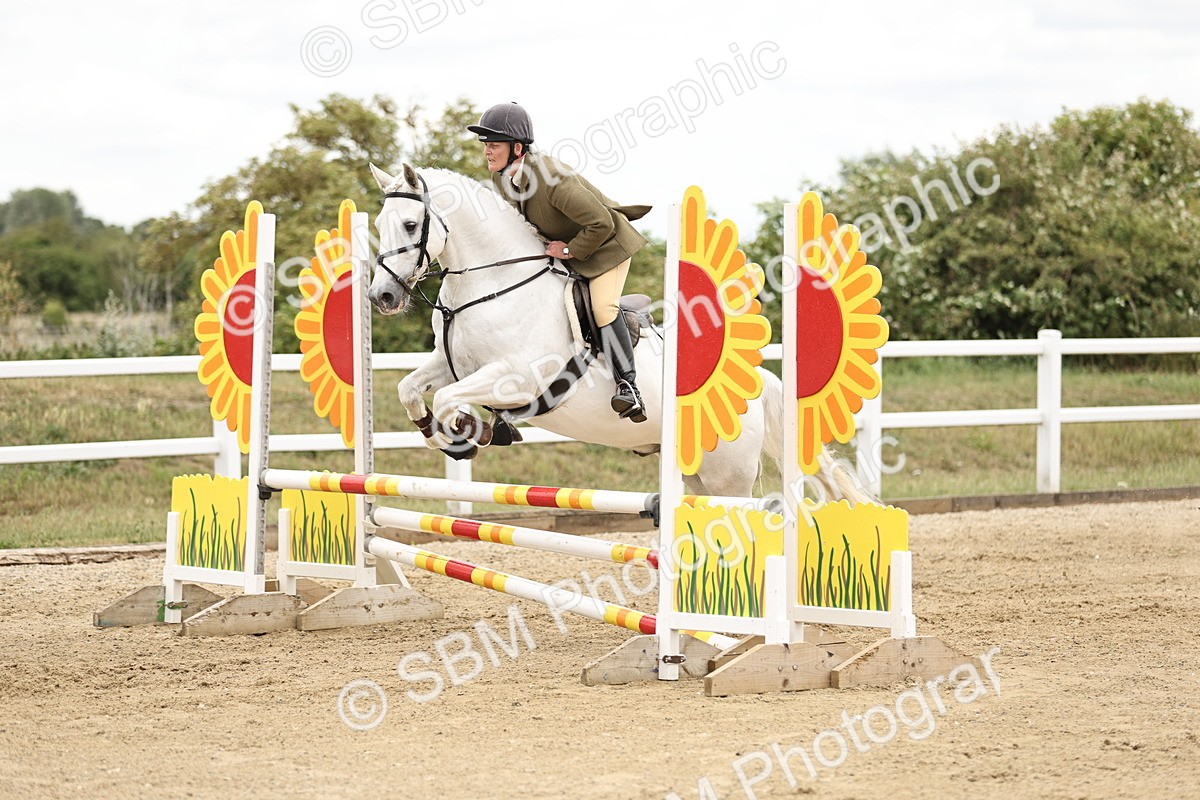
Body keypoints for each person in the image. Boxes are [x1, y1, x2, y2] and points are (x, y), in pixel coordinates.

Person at [468, 102, 652, 423]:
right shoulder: (502, 178)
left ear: (517, 148)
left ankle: (629, 387)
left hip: (607, 246)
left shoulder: (552, 178)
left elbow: (601, 224)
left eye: (493, 145)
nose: (487, 151)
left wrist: (567, 252)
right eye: (486, 145)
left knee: (602, 308)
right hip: (565, 247)